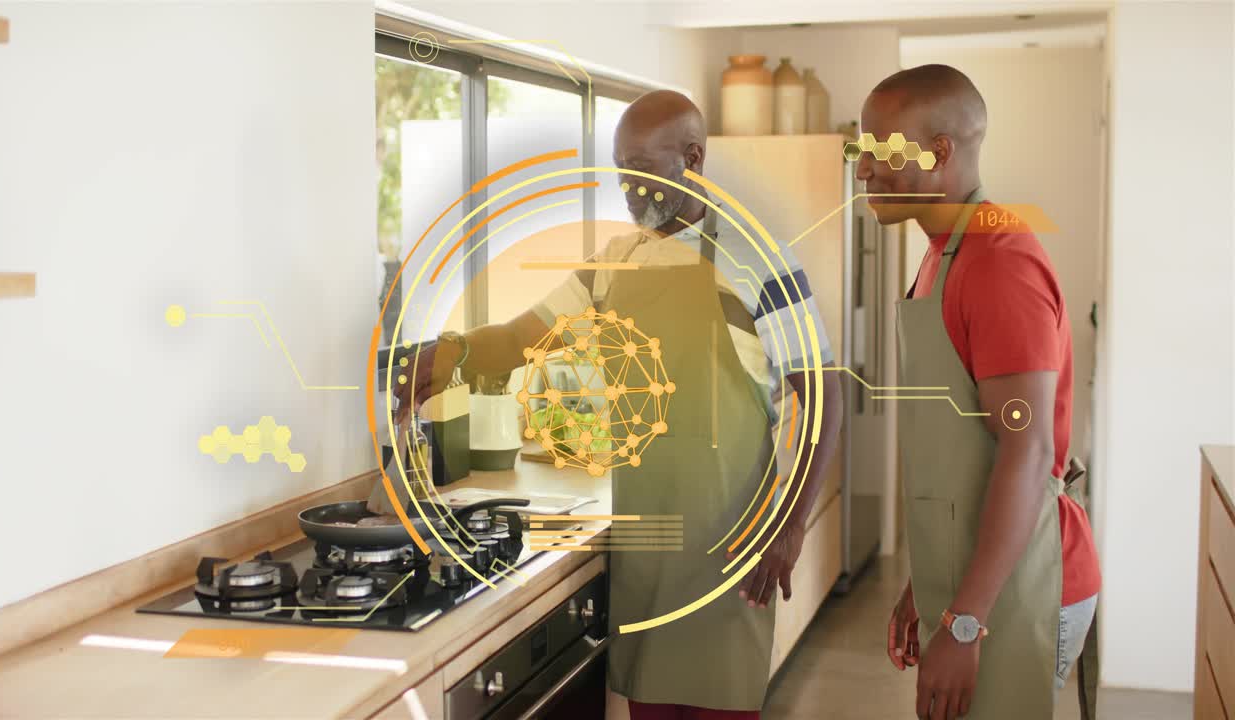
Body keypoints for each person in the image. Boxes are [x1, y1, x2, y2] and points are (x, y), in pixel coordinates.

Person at [399, 90, 842, 718]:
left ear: (693, 157)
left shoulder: (756, 257)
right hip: (646, 544)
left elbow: (825, 394)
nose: (629, 192)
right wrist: (437, 359)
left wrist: (790, 525)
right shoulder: (616, 261)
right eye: (619, 173)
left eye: (642, 172)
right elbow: (523, 337)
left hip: (727, 549)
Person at [858, 65, 1102, 719]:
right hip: (980, 577)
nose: (862, 170)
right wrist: (929, 578)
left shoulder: (998, 263)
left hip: (1025, 586)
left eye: (878, 150)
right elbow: (961, 447)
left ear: (939, 152)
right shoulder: (944, 253)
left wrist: (965, 620)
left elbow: (1023, 455)